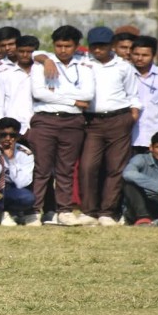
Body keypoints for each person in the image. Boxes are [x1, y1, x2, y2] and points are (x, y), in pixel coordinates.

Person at [28, 25, 95, 226]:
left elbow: (88, 95)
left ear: (76, 46)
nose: (63, 50)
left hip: (72, 122)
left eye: (68, 46)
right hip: (45, 120)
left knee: (65, 169)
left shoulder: (84, 65)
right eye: (58, 46)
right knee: (41, 168)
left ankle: (64, 211)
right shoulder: (42, 63)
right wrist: (73, 100)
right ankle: (34, 211)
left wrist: (57, 96)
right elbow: (39, 93)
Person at [78, 27, 141, 227]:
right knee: (88, 166)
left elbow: (133, 94)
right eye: (94, 46)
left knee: (116, 168)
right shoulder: (83, 63)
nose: (98, 50)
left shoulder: (123, 66)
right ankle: (89, 211)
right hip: (92, 121)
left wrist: (132, 115)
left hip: (118, 118)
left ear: (111, 46)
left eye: (102, 46)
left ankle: (107, 212)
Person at [129, 36, 158, 153]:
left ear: (154, 55)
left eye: (145, 55)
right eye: (136, 54)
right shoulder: (125, 74)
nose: (140, 58)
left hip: (153, 135)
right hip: (127, 135)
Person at [0, 35, 38, 133]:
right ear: (16, 51)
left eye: (30, 52)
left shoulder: (42, 74)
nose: (25, 55)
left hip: (37, 125)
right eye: (21, 51)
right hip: (12, 126)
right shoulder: (4, 75)